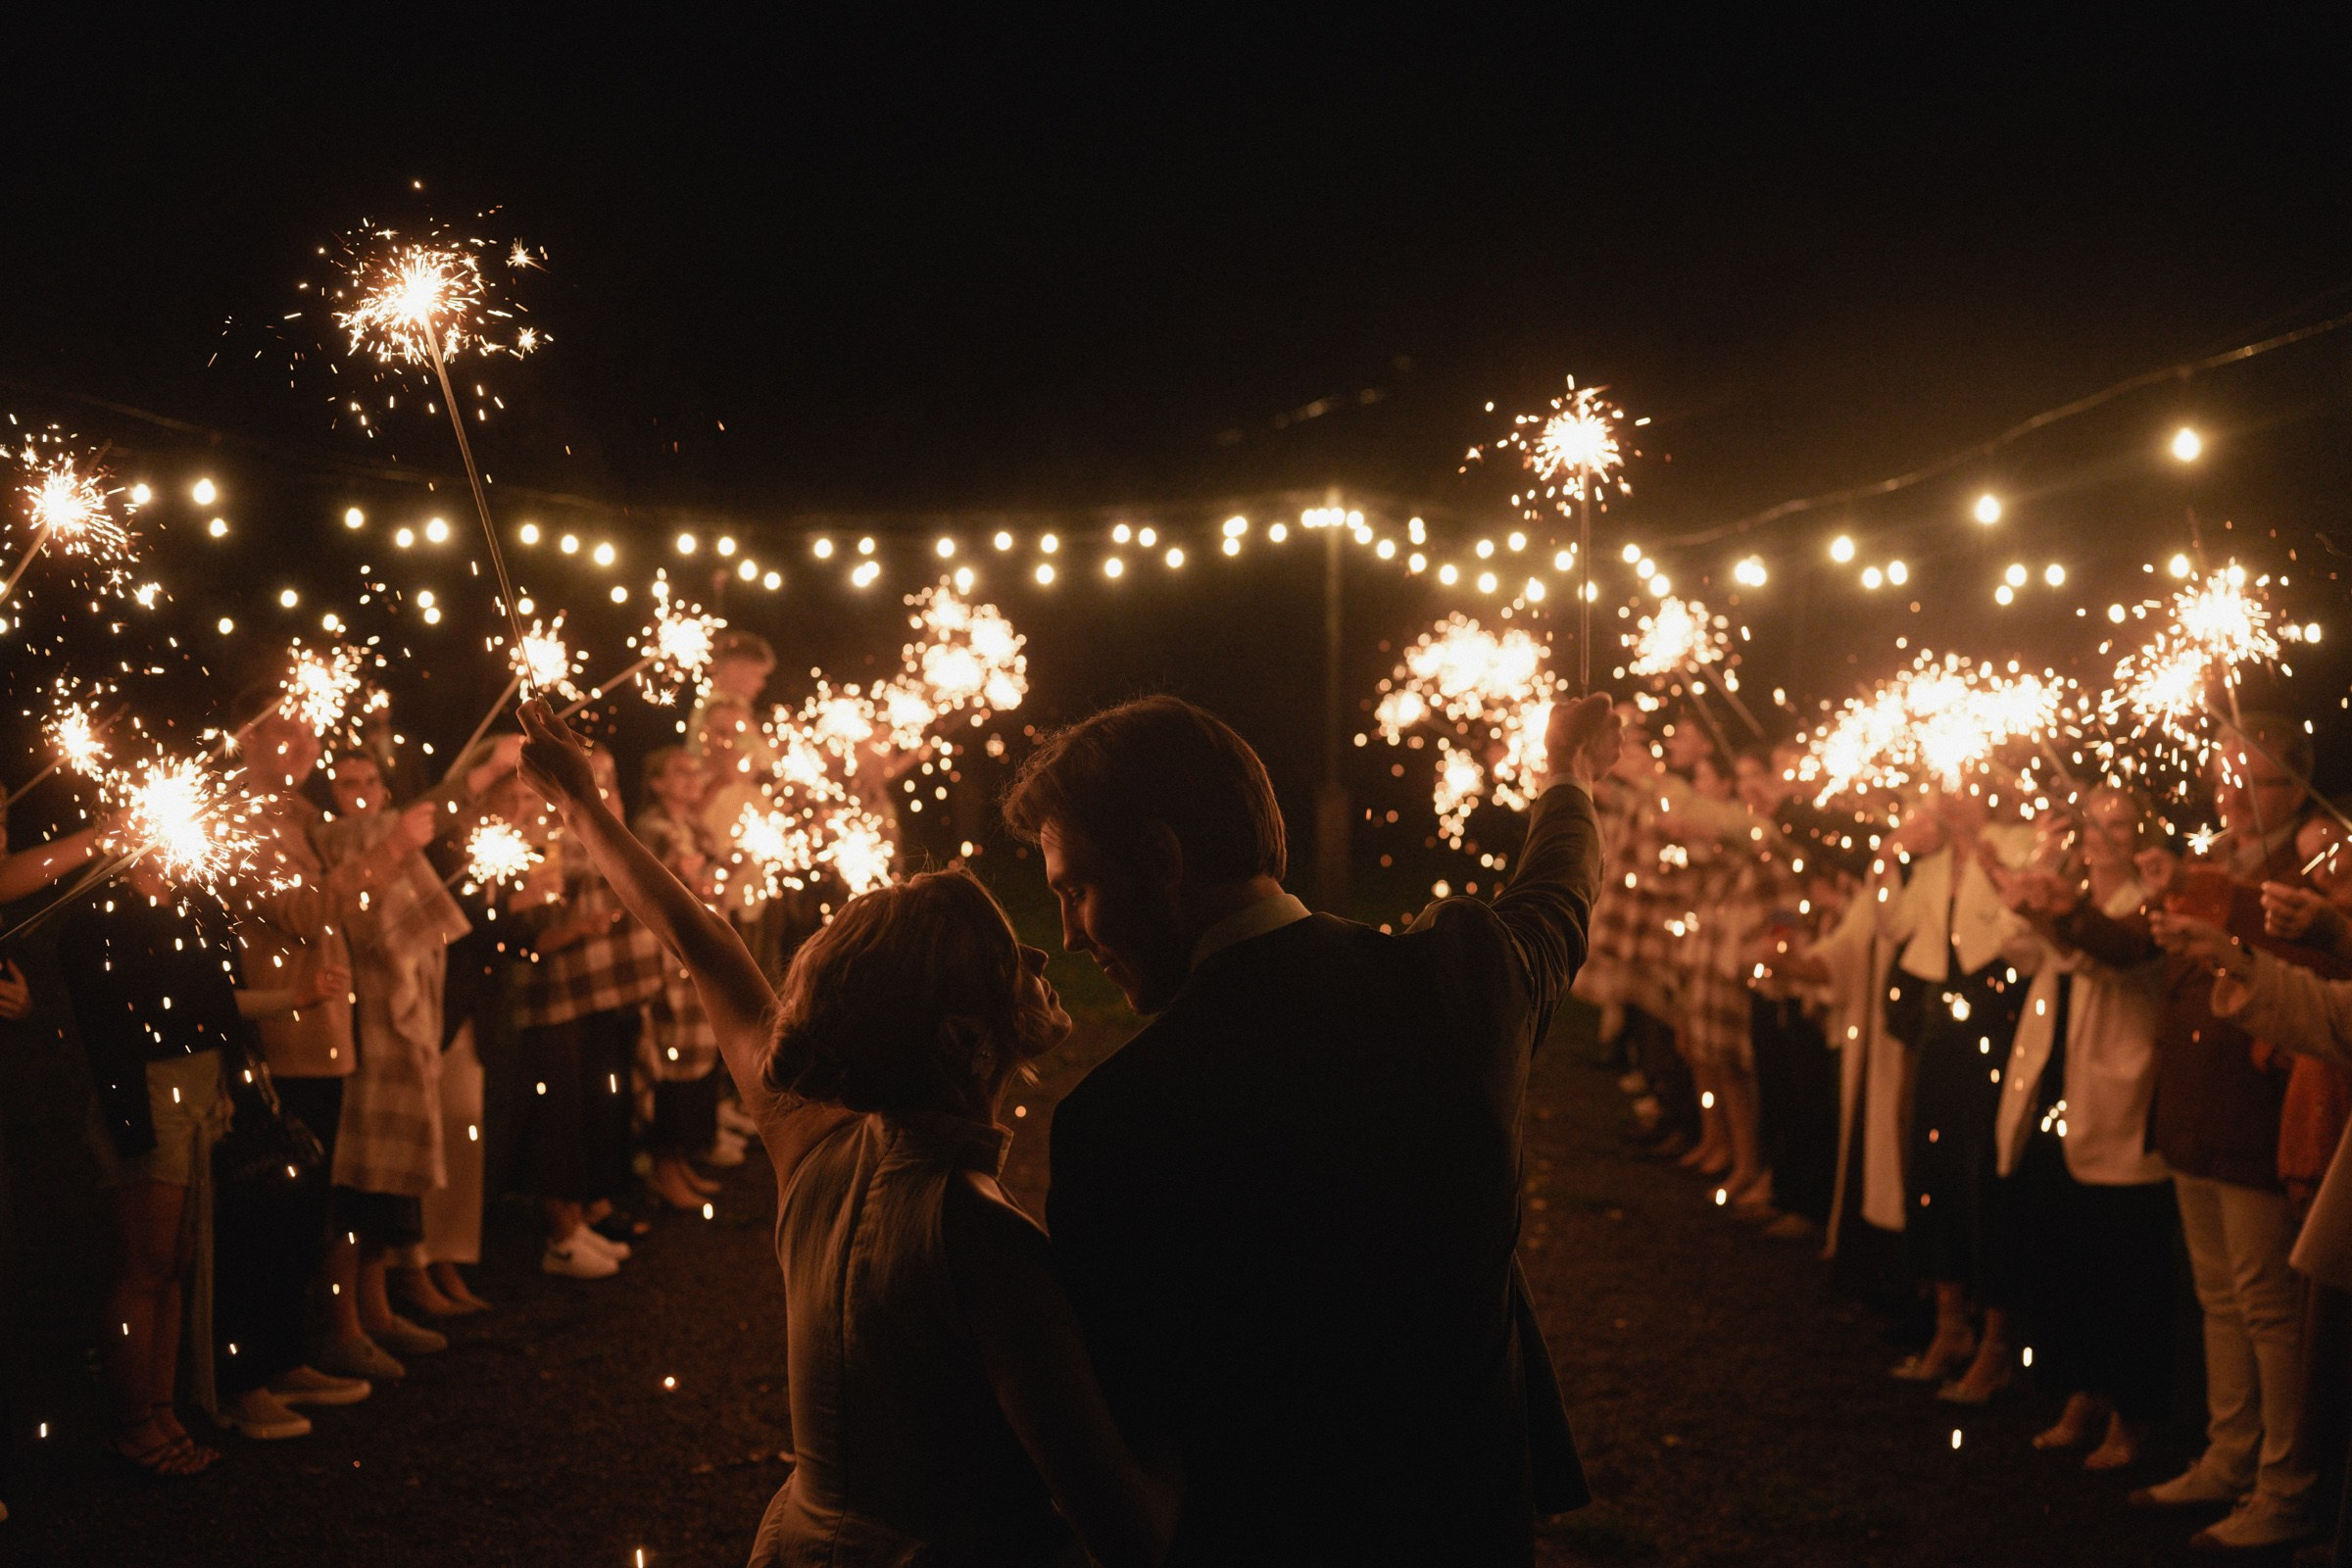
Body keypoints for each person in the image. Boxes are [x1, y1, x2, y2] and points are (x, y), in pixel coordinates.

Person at [514, 697, 1179, 1567]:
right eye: (1002, 955)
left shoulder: (809, 1141)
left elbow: (701, 939)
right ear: (962, 1038)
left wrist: (582, 805)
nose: (1039, 956)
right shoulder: (985, 1241)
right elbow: (1118, 1521)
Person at [1002, 691, 1622, 1564]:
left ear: (1162, 858)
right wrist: (1571, 776)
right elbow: (1558, 889)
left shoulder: (1116, 1121)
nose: (1069, 935)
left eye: (1077, 889)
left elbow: (1128, 1429)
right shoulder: (1462, 982)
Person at [2051, 722, 2319, 1550]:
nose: (2231, 795)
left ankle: (2287, 1484)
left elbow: (2303, 964)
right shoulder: (2209, 861)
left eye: (2253, 782)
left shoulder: (2308, 867)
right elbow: (2138, 948)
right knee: (2218, 1298)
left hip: (2253, 1111)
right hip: (2193, 1110)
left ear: (2294, 789)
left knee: (2268, 1306)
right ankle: (2228, 1456)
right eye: (2223, 779)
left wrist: (2210, 900)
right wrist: (2065, 911)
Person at [60, 859, 358, 1470]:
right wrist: (133, 1126)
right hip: (148, 1097)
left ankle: (163, 1411)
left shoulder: (192, 897)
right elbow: (107, 1023)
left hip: (199, 1094)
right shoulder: (99, 911)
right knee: (144, 1264)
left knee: (177, 1262)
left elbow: (214, 1002)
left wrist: (294, 998)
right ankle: (132, 1425)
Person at [1992, 789, 2176, 1469]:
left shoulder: (2149, 902)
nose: (2102, 834)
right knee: (2066, 1251)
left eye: (2119, 823)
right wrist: (2033, 899)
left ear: (2142, 834)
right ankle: (2082, 1392)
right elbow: (2019, 949)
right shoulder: (2067, 888)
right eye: (2094, 822)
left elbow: (2106, 956)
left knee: (2123, 1263)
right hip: (2055, 1087)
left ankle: (2134, 1412)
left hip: (2119, 1098)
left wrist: (2058, 913)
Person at [512, 746, 662, 1278]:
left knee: (588, 1108)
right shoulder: (539, 838)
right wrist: (578, 924)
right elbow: (529, 926)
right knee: (558, 1115)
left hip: (598, 991)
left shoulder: (590, 825)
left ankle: (584, 1216)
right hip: (554, 994)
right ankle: (561, 1232)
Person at [633, 746, 726, 1212]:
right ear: (657, 784)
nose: (693, 779)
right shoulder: (654, 829)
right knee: (671, 1062)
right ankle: (664, 1168)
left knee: (696, 1061)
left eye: (695, 771)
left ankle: (682, 1161)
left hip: (697, 955)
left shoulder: (693, 825)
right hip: (671, 959)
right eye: (680, 772)